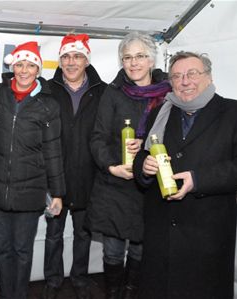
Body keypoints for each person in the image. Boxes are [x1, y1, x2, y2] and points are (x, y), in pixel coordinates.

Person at [133, 51, 237, 299]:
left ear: (208, 77)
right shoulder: (162, 112)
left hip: (207, 232)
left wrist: (198, 179)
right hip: (161, 230)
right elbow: (142, 156)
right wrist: (144, 167)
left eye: (192, 74)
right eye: (177, 76)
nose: (184, 81)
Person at [86, 32, 171, 299]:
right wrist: (111, 165)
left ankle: (131, 292)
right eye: (127, 58)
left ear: (151, 59)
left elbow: (176, 137)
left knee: (140, 248)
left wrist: (145, 143)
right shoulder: (113, 93)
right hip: (114, 184)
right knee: (112, 249)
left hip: (149, 184)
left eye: (140, 56)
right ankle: (112, 293)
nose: (134, 63)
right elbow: (98, 137)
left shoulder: (169, 93)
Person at [0, 41, 66, 299]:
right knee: (1, 250)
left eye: (30, 65)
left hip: (30, 191)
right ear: (13, 67)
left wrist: (57, 192)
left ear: (38, 69)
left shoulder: (48, 104)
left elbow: (53, 150)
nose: (24, 70)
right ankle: (5, 293)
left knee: (22, 251)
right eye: (19, 64)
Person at [43, 33, 107, 299]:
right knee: (53, 233)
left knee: (83, 233)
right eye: (66, 57)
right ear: (60, 61)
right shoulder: (46, 89)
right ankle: (52, 279)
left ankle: (79, 277)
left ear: (86, 61)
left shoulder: (102, 91)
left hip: (89, 176)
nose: (71, 62)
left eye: (77, 56)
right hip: (55, 175)